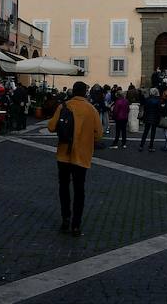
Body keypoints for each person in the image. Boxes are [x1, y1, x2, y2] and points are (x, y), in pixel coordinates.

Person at [47, 81, 102, 236]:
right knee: (79, 190)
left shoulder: (64, 106)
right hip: (82, 156)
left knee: (63, 187)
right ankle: (76, 225)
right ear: (85, 93)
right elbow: (99, 134)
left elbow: (51, 127)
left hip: (64, 155)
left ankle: (65, 218)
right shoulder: (91, 109)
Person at [139, 88, 162, 152]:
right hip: (155, 118)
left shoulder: (147, 99)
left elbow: (145, 108)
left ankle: (141, 145)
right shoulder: (158, 100)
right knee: (153, 132)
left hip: (147, 117)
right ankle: (151, 146)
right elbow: (159, 110)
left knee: (145, 132)